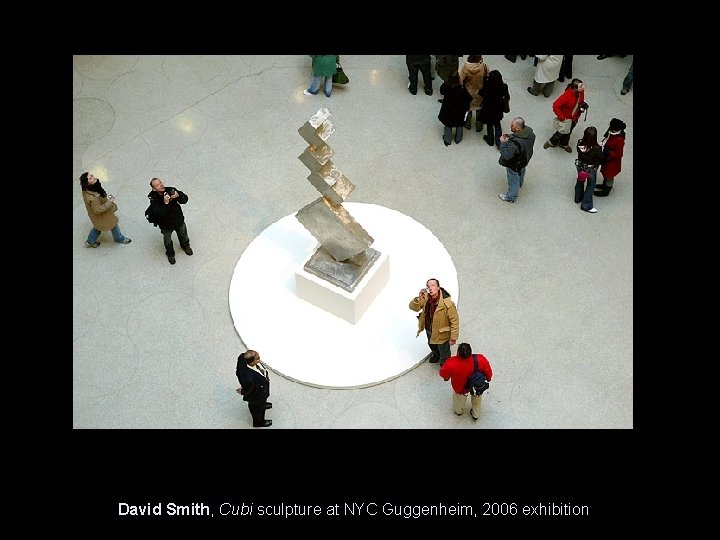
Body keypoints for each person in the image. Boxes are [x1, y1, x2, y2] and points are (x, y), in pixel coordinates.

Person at [409, 278, 459, 366]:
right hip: (429, 329)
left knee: (444, 351)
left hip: (442, 334)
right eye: (428, 286)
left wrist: (453, 337)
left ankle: (445, 365)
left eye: (433, 285)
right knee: (432, 345)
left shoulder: (448, 304)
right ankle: (436, 355)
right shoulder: (426, 299)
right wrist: (418, 299)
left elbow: (454, 321)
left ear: (438, 287)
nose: (430, 288)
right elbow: (414, 308)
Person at [439, 342, 492, 420]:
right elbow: (488, 371)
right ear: (471, 351)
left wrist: (446, 378)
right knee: (477, 398)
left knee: (458, 401)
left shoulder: (450, 363)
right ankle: (475, 414)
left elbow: (443, 373)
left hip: (460, 388)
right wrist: (488, 378)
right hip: (476, 385)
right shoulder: (480, 359)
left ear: (458, 353)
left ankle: (459, 411)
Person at [79, 172, 131, 248]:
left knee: (97, 227)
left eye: (91, 176)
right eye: (90, 178)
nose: (93, 177)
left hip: (98, 218)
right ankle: (119, 238)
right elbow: (97, 210)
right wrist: (109, 202)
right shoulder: (92, 198)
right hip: (102, 216)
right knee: (113, 225)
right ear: (88, 184)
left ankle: (90, 241)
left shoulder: (89, 189)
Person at [147, 177, 192, 265]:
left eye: (160, 182)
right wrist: (166, 203)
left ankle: (185, 245)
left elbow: (185, 200)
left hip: (178, 220)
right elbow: (159, 214)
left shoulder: (170, 190)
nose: (161, 185)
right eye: (157, 185)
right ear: (154, 189)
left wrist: (178, 195)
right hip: (166, 225)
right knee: (167, 240)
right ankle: (170, 253)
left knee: (183, 234)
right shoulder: (153, 199)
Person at [498, 117, 536, 203]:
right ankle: (520, 183)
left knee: (513, 177)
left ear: (518, 128)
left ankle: (511, 196)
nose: (510, 126)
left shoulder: (514, 143)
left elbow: (506, 155)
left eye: (512, 126)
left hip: (515, 163)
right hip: (525, 158)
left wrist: (503, 143)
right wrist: (510, 136)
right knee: (522, 169)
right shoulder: (529, 132)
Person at [543, 78, 586, 153]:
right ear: (575, 88)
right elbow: (555, 105)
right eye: (581, 86)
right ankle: (552, 142)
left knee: (568, 132)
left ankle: (564, 144)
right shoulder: (566, 96)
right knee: (560, 132)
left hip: (574, 118)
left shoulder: (580, 92)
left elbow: (581, 102)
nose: (583, 87)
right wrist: (562, 117)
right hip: (566, 119)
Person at [236, 350, 272, 428]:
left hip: (262, 391)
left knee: (261, 403)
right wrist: (242, 391)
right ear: (251, 362)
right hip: (257, 396)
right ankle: (258, 422)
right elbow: (250, 390)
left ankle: (263, 404)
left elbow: (242, 359)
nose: (260, 359)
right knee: (258, 410)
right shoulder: (249, 379)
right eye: (257, 358)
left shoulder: (243, 357)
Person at [478, 70, 510, 148]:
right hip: (498, 110)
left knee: (489, 124)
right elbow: (507, 97)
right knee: (497, 124)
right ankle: (499, 142)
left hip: (488, 109)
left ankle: (490, 140)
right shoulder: (503, 86)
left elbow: (480, 93)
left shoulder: (487, 86)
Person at [575, 126, 604, 213]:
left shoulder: (580, 143)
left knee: (580, 181)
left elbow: (578, 151)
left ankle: (578, 197)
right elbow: (601, 159)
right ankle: (586, 205)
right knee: (591, 185)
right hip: (591, 169)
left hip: (580, 166)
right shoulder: (596, 148)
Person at [438, 73, 472, 146]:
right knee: (459, 125)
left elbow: (441, 91)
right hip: (460, 111)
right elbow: (468, 98)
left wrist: (445, 83)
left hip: (448, 111)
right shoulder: (462, 89)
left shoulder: (446, 88)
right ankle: (458, 139)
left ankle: (447, 140)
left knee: (448, 125)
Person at [595, 118, 626, 197]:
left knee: (609, 176)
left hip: (612, 162)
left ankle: (606, 190)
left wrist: (609, 152)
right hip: (608, 158)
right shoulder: (613, 133)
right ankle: (604, 185)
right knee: (606, 173)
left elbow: (619, 154)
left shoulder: (619, 139)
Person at [459, 54, 489, 131]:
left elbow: (460, 80)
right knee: (479, 109)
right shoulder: (484, 67)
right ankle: (479, 126)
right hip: (480, 92)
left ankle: (468, 124)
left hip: (468, 93)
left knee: (468, 109)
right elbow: (488, 76)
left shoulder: (466, 68)